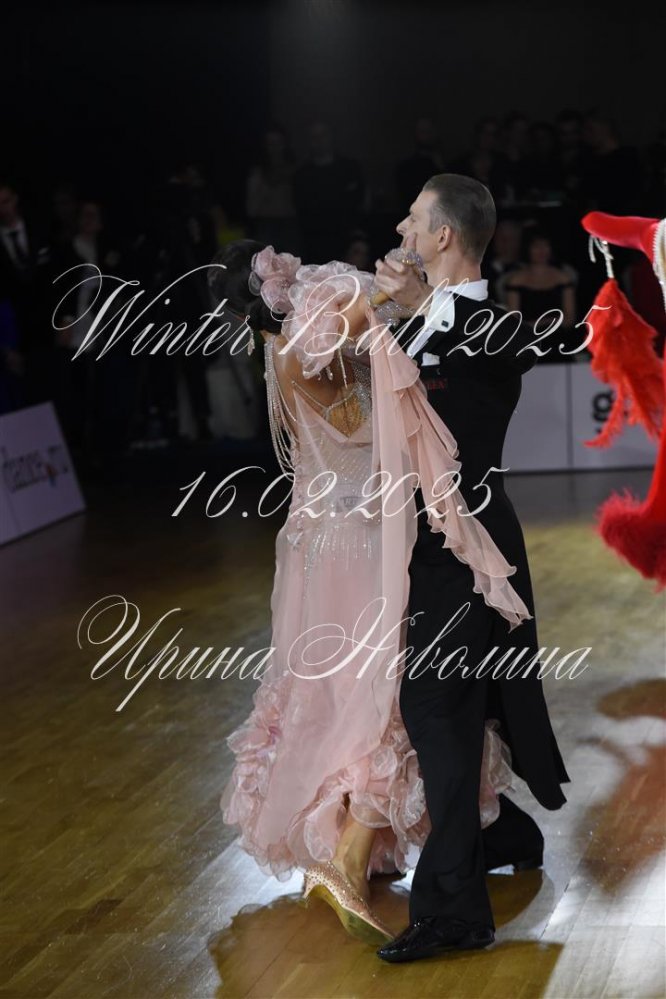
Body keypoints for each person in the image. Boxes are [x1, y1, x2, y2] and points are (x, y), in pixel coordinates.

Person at [213, 238, 532, 947]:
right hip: (357, 540)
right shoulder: (304, 352)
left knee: (343, 696)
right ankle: (347, 859)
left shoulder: (295, 350)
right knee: (380, 700)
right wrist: (383, 305)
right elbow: (364, 421)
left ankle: (354, 852)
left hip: (320, 540)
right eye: (292, 276)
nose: (305, 277)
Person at [370, 174, 570, 962]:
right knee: (470, 704)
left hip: (468, 550)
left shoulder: (493, 328)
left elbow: (488, 360)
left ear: (444, 235)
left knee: (437, 709)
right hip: (423, 546)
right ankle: (504, 831)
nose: (403, 228)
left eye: (414, 219)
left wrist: (413, 308)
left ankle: (455, 911)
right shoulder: (419, 322)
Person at [505, 230, 577, 361]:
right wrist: (541, 323)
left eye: (545, 245)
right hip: (527, 343)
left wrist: (548, 323)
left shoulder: (563, 278)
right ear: (527, 249)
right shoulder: (516, 280)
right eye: (536, 246)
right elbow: (513, 321)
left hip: (558, 343)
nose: (541, 251)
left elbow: (569, 320)